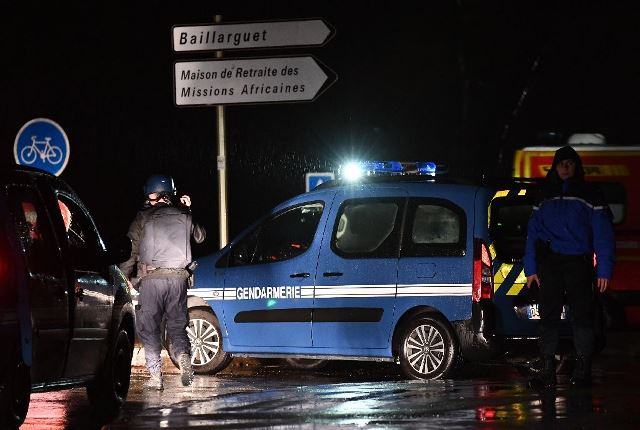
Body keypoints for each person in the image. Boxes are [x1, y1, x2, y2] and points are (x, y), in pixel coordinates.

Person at [523, 145, 615, 388]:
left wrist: (604, 269)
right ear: (554, 166)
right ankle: (548, 371)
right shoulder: (544, 194)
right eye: (561, 163)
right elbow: (532, 234)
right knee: (548, 317)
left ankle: (584, 369)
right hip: (550, 263)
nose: (565, 167)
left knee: (583, 317)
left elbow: (603, 234)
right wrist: (531, 269)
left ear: (576, 167)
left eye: (570, 163)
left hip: (578, 262)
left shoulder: (590, 194)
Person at [119, 174, 206, 390]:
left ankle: (156, 376)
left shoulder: (143, 217)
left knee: (149, 328)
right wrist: (189, 211)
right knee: (177, 326)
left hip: (152, 280)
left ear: (157, 194)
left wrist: (124, 276)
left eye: (150, 194)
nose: (148, 199)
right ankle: (183, 355)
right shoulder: (184, 214)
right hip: (178, 280)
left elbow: (131, 249)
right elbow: (200, 237)